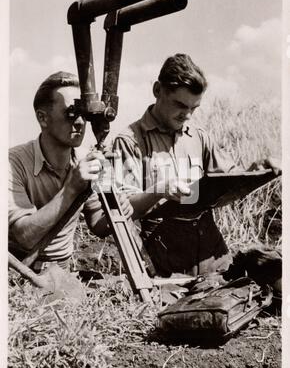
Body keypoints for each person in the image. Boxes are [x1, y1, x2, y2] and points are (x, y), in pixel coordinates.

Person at [113, 53, 281, 280]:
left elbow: (230, 179)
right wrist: (159, 190)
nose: (188, 115)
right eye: (180, 105)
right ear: (157, 90)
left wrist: (257, 169)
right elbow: (124, 212)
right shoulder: (129, 141)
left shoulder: (199, 137)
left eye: (195, 107)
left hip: (212, 251)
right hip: (166, 258)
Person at [9, 71, 133, 272]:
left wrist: (121, 210)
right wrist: (70, 189)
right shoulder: (12, 163)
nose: (80, 122)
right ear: (43, 118)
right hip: (18, 274)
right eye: (71, 113)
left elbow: (97, 224)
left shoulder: (85, 159)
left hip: (62, 273)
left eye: (83, 114)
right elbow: (25, 237)